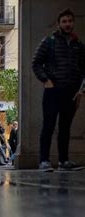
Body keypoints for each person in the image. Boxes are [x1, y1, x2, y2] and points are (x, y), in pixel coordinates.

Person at [32, 8, 85, 171]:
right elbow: (36, 63)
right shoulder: (49, 41)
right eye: (64, 21)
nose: (67, 24)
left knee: (65, 127)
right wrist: (46, 80)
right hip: (53, 90)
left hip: (72, 92)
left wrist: (81, 90)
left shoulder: (79, 44)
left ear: (73, 23)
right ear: (59, 23)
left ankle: (63, 161)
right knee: (48, 125)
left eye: (70, 21)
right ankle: (44, 161)